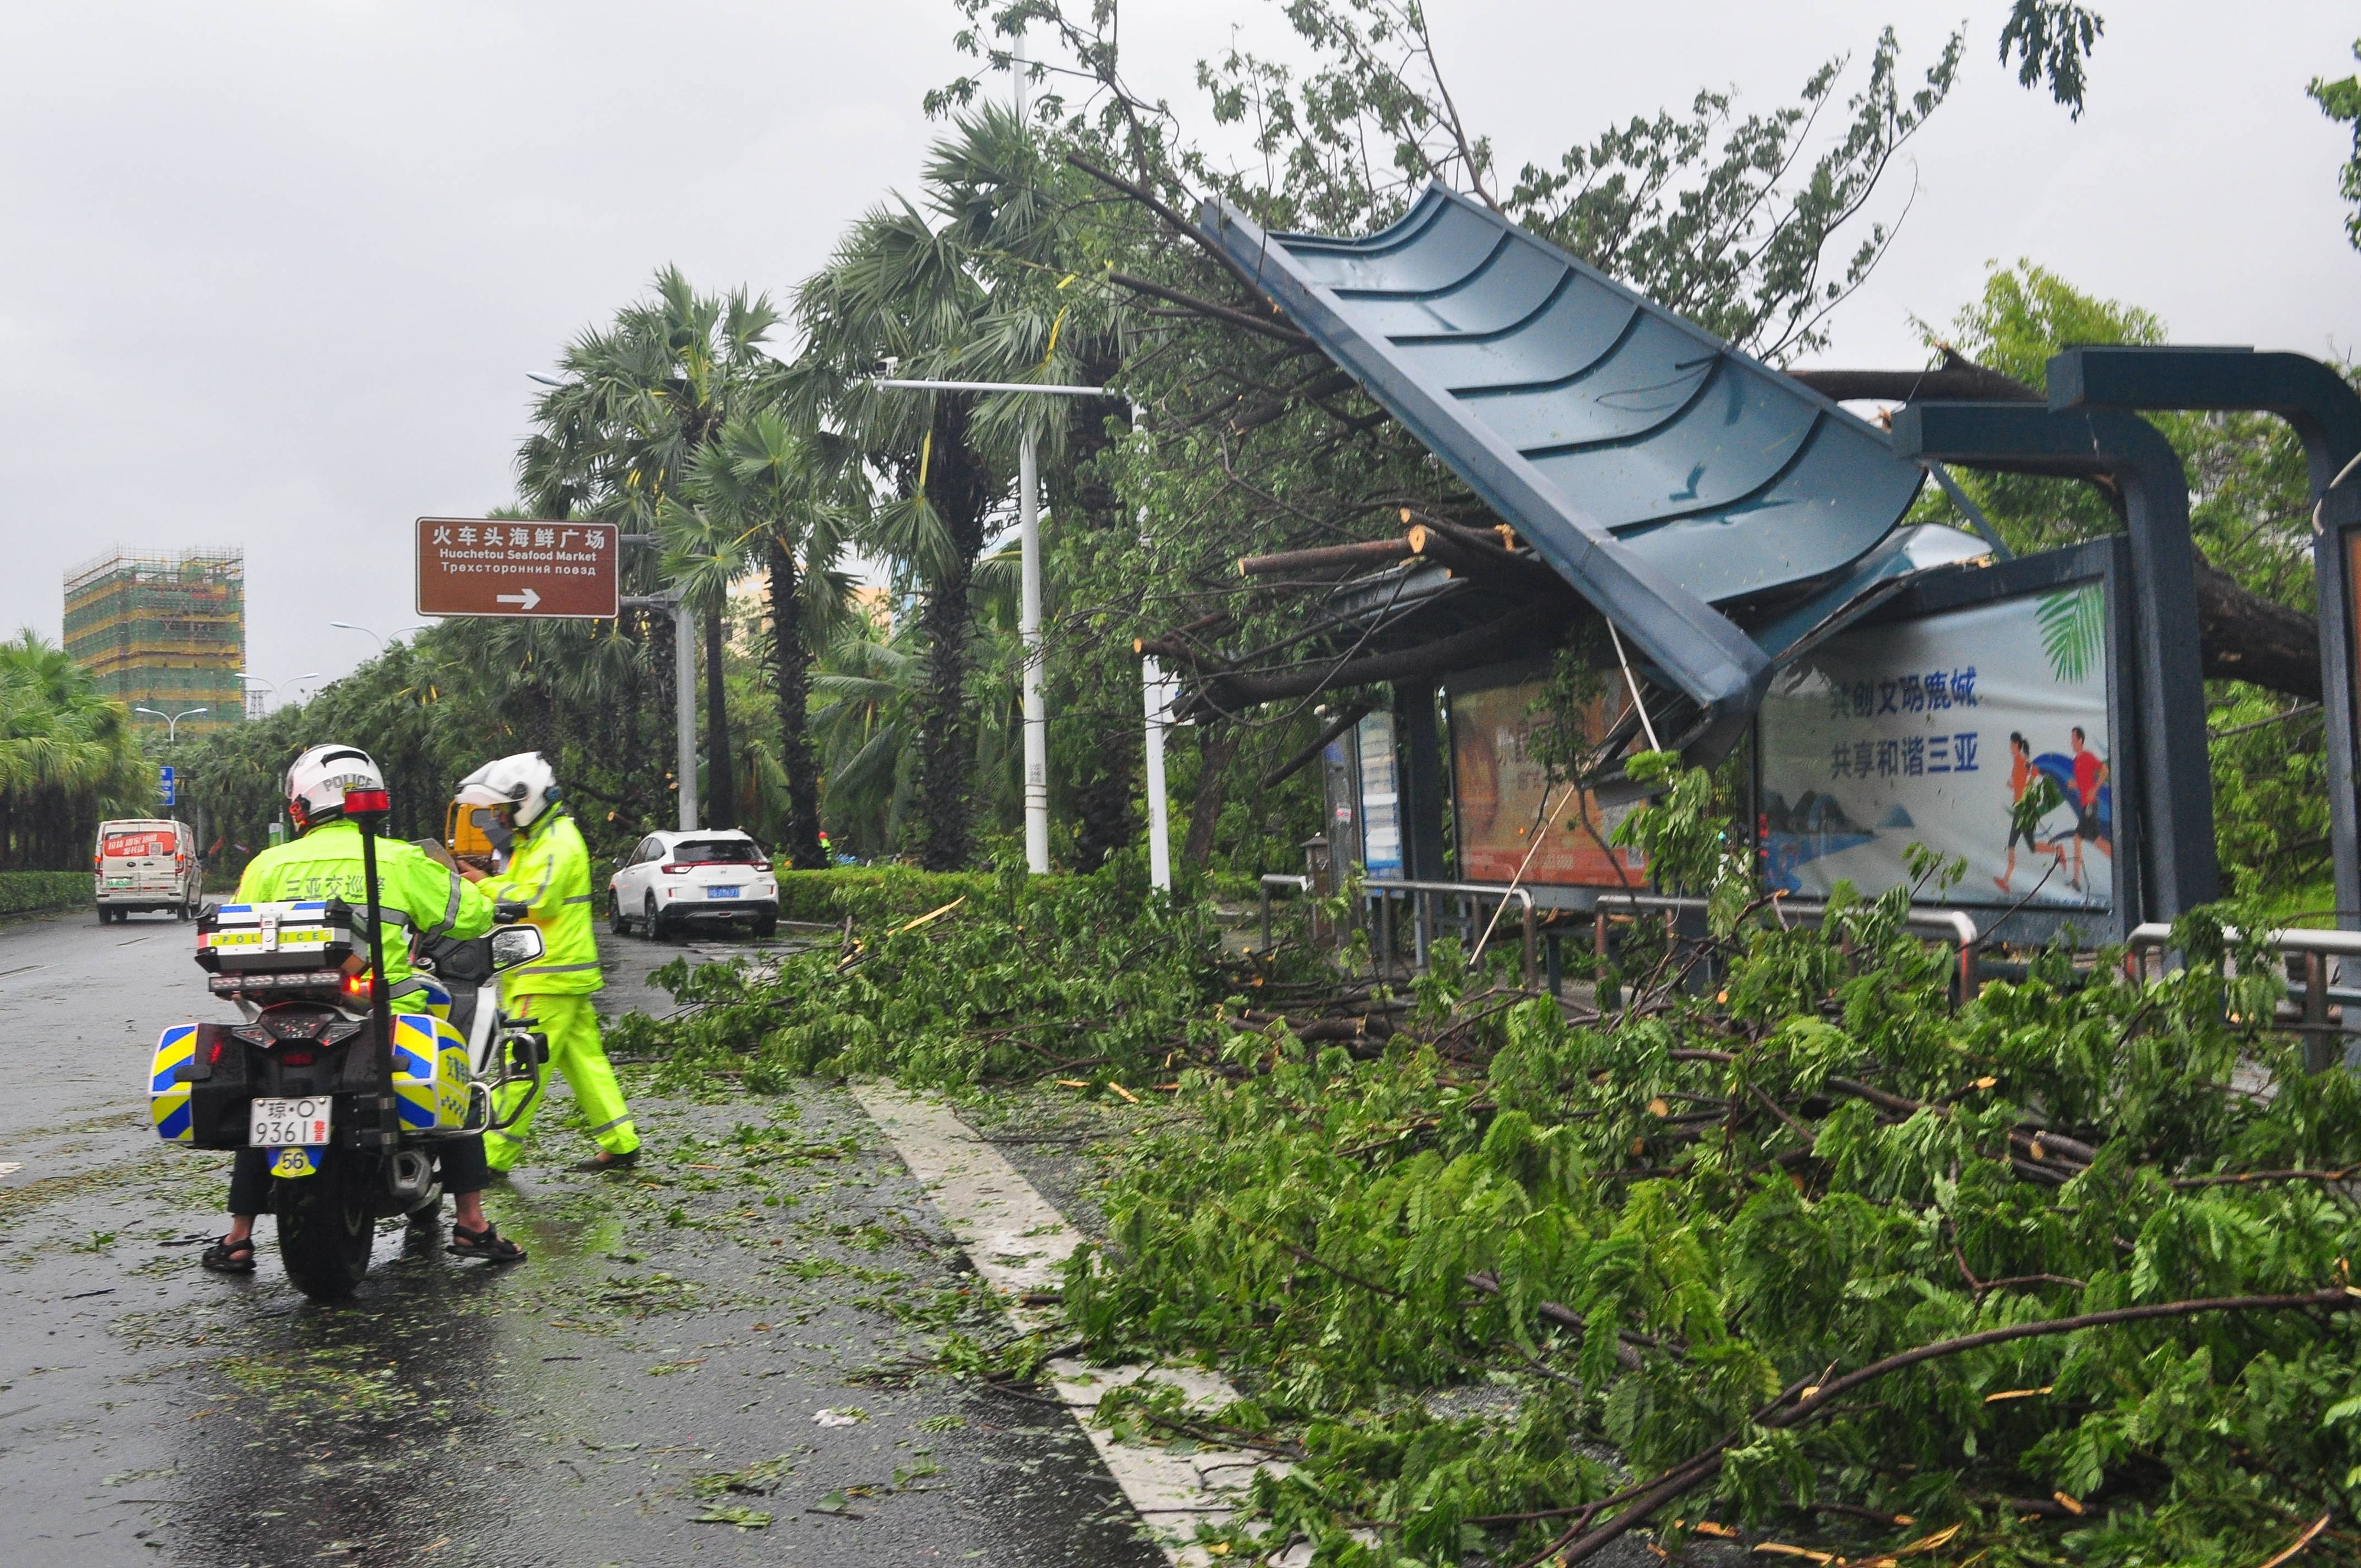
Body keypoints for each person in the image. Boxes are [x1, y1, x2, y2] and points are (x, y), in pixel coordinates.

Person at [203, 744, 527, 1273]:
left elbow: (239, 933)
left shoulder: (267, 864)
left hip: (284, 1010)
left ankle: (238, 1236)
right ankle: (471, 1222)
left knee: (266, 1097)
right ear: (370, 800)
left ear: (301, 805)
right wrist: (492, 897)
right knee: (460, 1076)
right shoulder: (399, 859)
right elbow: (468, 916)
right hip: (385, 1005)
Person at [453, 752, 640, 1174]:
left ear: (527, 801)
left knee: (521, 1065)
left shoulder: (557, 842)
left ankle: (490, 1157)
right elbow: (523, 888)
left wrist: (483, 886)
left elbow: (537, 899)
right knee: (585, 1061)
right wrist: (487, 882)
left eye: (503, 810)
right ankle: (621, 1141)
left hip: (548, 975)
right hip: (554, 972)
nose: (498, 820)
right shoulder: (539, 840)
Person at [1994, 731, 2065, 893]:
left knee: (2012, 843)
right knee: (2032, 846)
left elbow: (2034, 771)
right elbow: (2021, 780)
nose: (2010, 747)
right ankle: (2057, 850)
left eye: (2012, 745)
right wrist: (2014, 786)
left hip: (2023, 809)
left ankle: (2006, 880)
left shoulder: (2022, 761)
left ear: (2017, 745)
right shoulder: (2016, 761)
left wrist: (2027, 789)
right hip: (2021, 807)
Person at [2067, 725, 2112, 891]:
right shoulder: (2076, 761)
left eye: (2073, 739)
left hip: (2091, 805)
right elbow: (2084, 782)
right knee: (2097, 840)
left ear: (2080, 740)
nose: (2072, 742)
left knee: (2078, 838)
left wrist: (2096, 788)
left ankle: (2076, 881)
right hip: (2085, 804)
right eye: (2071, 739)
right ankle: (2121, 863)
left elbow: (2105, 770)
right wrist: (2075, 784)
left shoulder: (2087, 757)